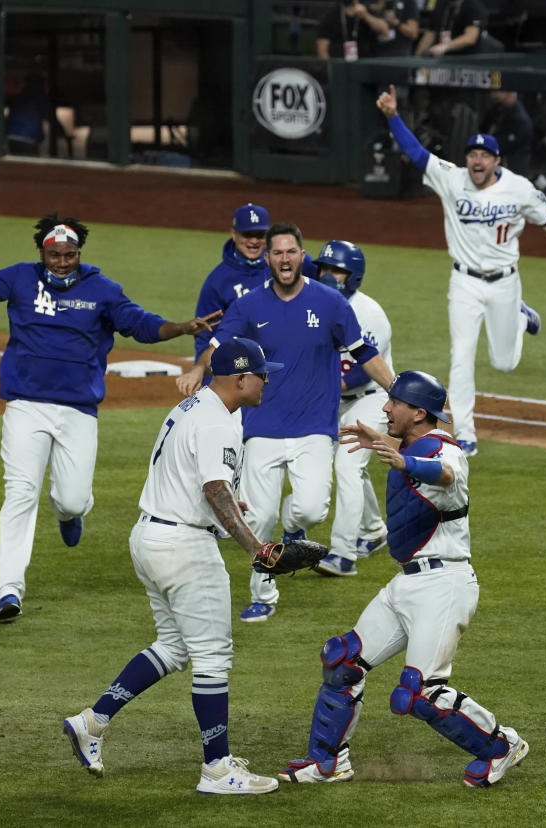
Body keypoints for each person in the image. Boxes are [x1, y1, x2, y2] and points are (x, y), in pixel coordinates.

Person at [0, 207, 220, 621]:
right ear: (43, 253)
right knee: (20, 493)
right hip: (25, 405)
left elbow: (140, 324)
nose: (62, 262)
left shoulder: (103, 289)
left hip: (78, 410)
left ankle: (70, 513)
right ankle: (8, 589)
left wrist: (181, 328)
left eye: (70, 254)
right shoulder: (20, 277)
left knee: (72, 499)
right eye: (55, 254)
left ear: (80, 253)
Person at [277, 370, 528, 788]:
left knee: (417, 693)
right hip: (407, 583)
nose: (385, 407)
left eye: (395, 402)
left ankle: (501, 746)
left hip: (443, 585)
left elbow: (445, 474)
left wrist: (402, 458)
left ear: (418, 412)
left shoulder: (447, 451)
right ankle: (327, 763)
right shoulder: (413, 444)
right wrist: (388, 444)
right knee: (342, 661)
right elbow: (419, 458)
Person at [62, 337, 282, 795]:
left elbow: (199, 480)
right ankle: (217, 769)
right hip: (183, 547)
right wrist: (255, 549)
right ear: (241, 378)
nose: (266, 380)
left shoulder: (194, 406)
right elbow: (215, 492)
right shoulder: (218, 420)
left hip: (150, 537)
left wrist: (227, 507)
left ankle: (93, 721)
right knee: (212, 657)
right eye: (262, 373)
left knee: (176, 647)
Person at [175, 221, 395, 622]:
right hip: (261, 424)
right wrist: (196, 370)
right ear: (269, 259)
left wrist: (396, 392)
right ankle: (263, 594)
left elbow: (365, 352)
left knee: (311, 509)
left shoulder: (331, 303)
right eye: (276, 253)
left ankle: (294, 530)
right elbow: (219, 344)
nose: (284, 259)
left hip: (314, 425)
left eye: (291, 251)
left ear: (301, 255)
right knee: (258, 517)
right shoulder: (249, 306)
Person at [376, 83, 546, 456]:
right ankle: (465, 433)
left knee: (504, 362)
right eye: (472, 155)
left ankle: (519, 315)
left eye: (484, 155)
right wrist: (393, 117)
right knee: (461, 357)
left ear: (497, 160)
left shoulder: (518, 188)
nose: (477, 161)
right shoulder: (452, 178)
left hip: (504, 284)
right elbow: (416, 153)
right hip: (463, 281)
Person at [313, 240, 393, 577]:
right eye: (325, 269)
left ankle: (343, 555)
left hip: (372, 396)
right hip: (334, 399)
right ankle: (374, 530)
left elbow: (363, 368)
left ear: (353, 276)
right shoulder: (312, 304)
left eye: (338, 271)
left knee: (346, 464)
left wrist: (327, 389)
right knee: (334, 463)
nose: (329, 276)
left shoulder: (368, 311)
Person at [191, 203, 317, 361]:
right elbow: (205, 334)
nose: (254, 241)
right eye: (247, 234)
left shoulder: (292, 261)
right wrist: (205, 372)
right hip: (242, 365)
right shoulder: (218, 281)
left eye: (259, 234)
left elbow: (326, 284)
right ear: (233, 234)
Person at [414, 0, 499, 57]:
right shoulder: (442, 4)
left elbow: (470, 37)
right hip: (442, 61)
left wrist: (445, 46)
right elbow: (431, 33)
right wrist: (417, 58)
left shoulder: (473, 5)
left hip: (465, 59)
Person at [480, 91, 534, 178]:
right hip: (494, 166)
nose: (493, 94)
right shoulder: (497, 110)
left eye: (499, 91)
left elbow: (504, 144)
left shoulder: (520, 119)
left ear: (509, 93)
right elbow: (483, 128)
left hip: (511, 168)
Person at [317, 1, 392, 60]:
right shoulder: (331, 16)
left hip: (367, 66)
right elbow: (322, 49)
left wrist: (366, 16)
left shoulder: (367, 10)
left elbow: (385, 30)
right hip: (340, 66)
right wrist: (330, 68)